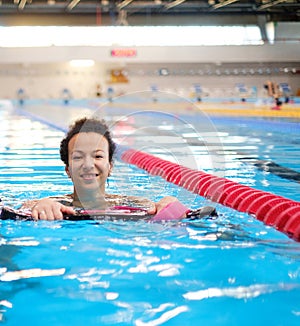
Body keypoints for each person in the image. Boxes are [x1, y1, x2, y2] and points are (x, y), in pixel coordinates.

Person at [21, 117, 184, 221]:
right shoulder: (51, 203)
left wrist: (168, 203)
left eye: (98, 156)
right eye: (78, 157)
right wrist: (40, 207)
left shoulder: (133, 203)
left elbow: (158, 210)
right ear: (68, 170)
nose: (88, 165)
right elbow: (24, 208)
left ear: (110, 167)